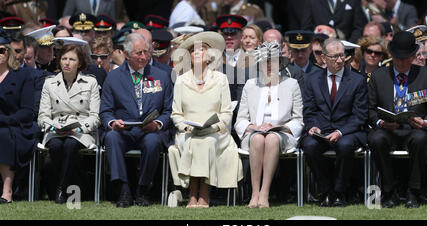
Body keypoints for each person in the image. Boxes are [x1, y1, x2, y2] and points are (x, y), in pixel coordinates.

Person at [168, 31, 242, 208]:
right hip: (188, 132)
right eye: (193, 51)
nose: (197, 54)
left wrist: (215, 127)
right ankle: (194, 195)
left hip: (216, 133)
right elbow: (176, 113)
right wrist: (185, 128)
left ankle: (201, 194)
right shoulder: (181, 80)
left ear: (209, 55)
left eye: (201, 50)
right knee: (196, 141)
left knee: (206, 141)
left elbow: (226, 112)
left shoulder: (221, 79)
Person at [367, 31, 427, 208]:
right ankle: (389, 191)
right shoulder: (378, 76)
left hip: (415, 129)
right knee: (375, 139)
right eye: (396, 58)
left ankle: (414, 192)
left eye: (405, 58)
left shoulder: (425, 75)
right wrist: (381, 122)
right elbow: (369, 110)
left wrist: (426, 123)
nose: (400, 62)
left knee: (420, 139)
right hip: (388, 129)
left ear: (414, 56)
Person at [100, 33, 173, 208]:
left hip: (150, 130)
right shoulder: (114, 77)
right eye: (138, 53)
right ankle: (124, 190)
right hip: (123, 130)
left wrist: (157, 124)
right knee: (111, 138)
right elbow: (105, 111)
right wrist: (113, 123)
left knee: (153, 142)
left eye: (146, 52)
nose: (144, 57)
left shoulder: (161, 76)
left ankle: (142, 189)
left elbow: (169, 110)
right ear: (126, 54)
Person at [301, 38, 368, 207]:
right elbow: (309, 110)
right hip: (321, 130)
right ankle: (326, 191)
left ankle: (340, 192)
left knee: (344, 146)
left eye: (342, 55)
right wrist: (312, 126)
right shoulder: (312, 80)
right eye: (335, 56)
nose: (340, 60)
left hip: (348, 131)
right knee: (309, 145)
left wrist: (340, 132)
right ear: (324, 58)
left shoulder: (357, 80)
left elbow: (360, 115)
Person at [235, 41, 303, 208]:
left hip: (282, 133)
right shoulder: (251, 85)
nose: (269, 66)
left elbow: (298, 119)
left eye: (273, 61)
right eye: (266, 62)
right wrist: (254, 128)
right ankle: (254, 193)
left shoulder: (291, 84)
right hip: (254, 132)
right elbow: (241, 119)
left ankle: (264, 193)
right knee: (258, 139)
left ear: (280, 63)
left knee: (271, 138)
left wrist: (279, 128)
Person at [37, 44, 100, 203]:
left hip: (81, 130)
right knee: (57, 146)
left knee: (70, 145)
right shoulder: (49, 83)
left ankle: (60, 188)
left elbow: (95, 116)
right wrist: (52, 127)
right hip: (56, 128)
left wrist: (79, 128)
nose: (67, 63)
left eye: (72, 59)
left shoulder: (90, 82)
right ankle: (77, 185)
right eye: (64, 59)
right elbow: (43, 115)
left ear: (79, 63)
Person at [0, 30, 39, 204]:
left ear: (8, 52)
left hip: (15, 125)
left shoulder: (22, 75)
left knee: (4, 135)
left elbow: (28, 110)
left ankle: (6, 190)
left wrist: (8, 120)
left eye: (1, 50)